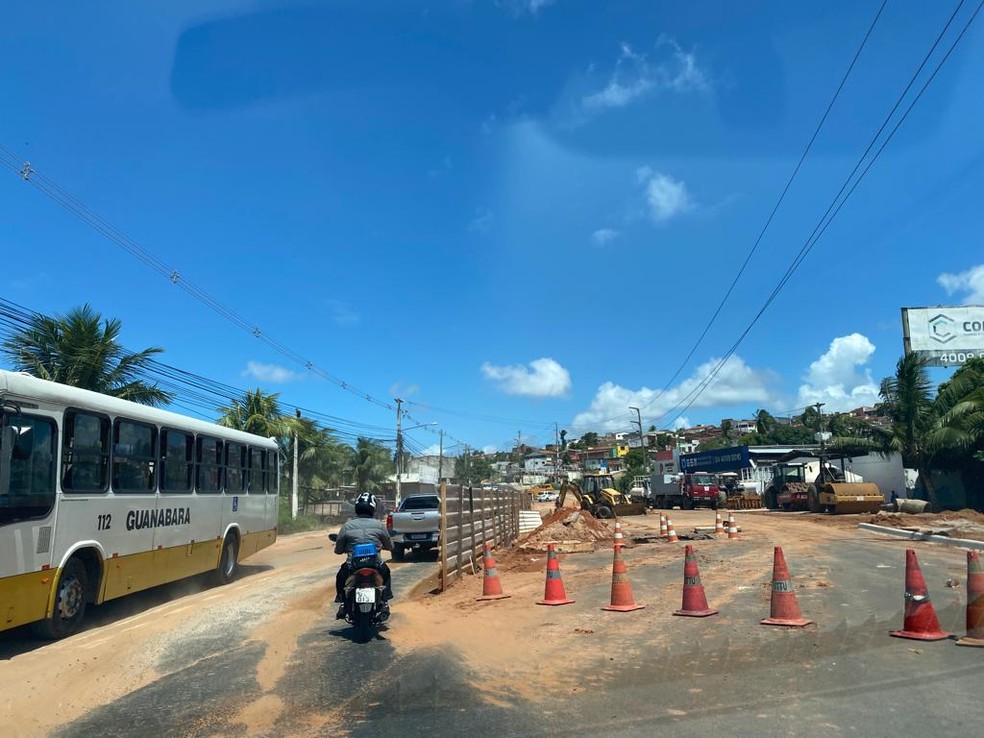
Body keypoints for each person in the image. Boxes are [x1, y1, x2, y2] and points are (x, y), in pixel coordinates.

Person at [333, 492, 393, 619]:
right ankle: (385, 602)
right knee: (386, 572)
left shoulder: (347, 526)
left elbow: (338, 550)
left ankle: (343, 602)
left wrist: (344, 549)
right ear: (373, 509)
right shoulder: (379, 525)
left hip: (352, 566)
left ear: (356, 508)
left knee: (340, 576)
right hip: (375, 565)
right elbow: (390, 546)